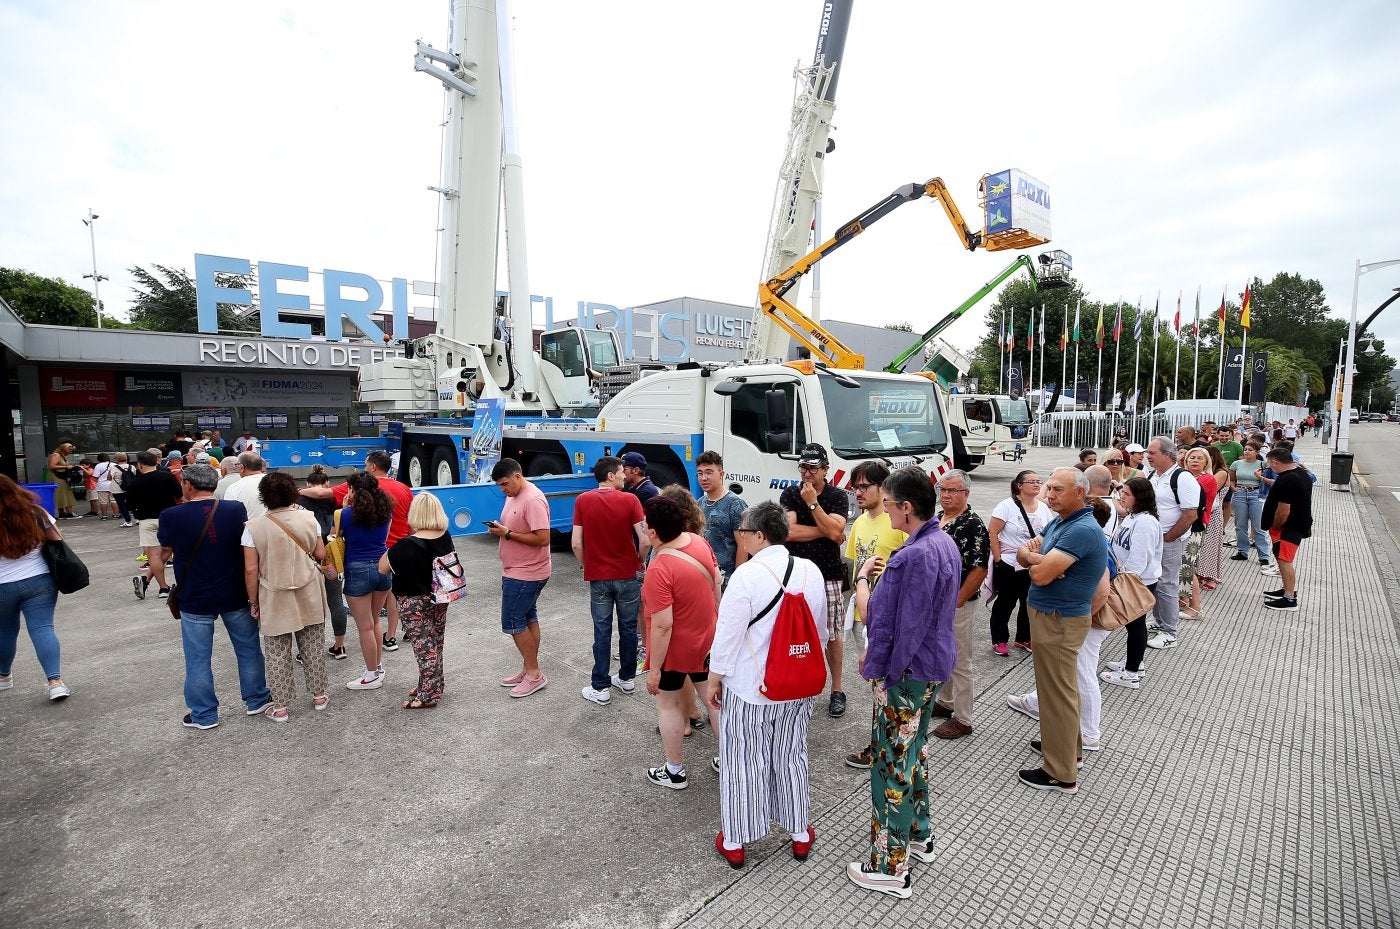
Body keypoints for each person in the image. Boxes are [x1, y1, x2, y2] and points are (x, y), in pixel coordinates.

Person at [847, 468, 961, 898]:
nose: (886, 511)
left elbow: (889, 623)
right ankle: (918, 832)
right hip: (931, 667)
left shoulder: (911, 556)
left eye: (890, 504)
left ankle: (888, 864)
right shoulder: (941, 541)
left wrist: (862, 579)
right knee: (914, 750)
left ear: (906, 507)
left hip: (906, 674)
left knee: (891, 760)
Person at [708, 501, 827, 870]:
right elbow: (820, 629)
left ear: (759, 535)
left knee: (745, 760)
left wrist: (715, 678)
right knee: (791, 755)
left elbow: (727, 635)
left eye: (743, 532)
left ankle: (736, 840)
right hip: (798, 684)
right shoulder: (810, 570)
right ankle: (799, 832)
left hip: (751, 688)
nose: (740, 538)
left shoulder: (746, 575)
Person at [149, 464, 270, 729]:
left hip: (195, 596)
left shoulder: (171, 515)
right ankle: (257, 699)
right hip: (235, 592)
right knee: (248, 649)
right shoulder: (234, 509)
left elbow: (165, 549)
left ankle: (204, 714)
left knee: (198, 657)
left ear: (188, 485)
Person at [1014, 467, 1108, 794]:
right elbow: (1026, 552)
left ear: (1080, 492)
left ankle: (1061, 772)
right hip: (1052, 615)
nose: (1049, 495)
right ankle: (1069, 751)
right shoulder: (1061, 521)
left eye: (1057, 490)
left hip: (1058, 618)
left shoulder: (1080, 529)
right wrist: (1035, 557)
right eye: (1048, 488)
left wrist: (1038, 561)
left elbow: (1038, 575)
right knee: (1059, 691)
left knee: (1057, 694)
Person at [640, 496, 723, 790]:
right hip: (708, 639)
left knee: (668, 706)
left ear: (653, 533)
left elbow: (663, 625)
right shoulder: (697, 541)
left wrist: (654, 670)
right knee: (713, 700)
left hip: (675, 650)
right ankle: (729, 760)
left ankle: (674, 771)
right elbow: (716, 581)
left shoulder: (659, 568)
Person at [242, 472, 333, 721]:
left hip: (274, 593)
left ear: (264, 496)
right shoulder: (308, 518)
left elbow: (251, 570)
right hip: (309, 588)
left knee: (277, 651)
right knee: (312, 645)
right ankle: (319, 695)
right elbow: (320, 552)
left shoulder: (253, 528)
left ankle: (280, 706)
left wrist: (253, 601)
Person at [300, 451, 412, 651]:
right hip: (393, 552)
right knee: (391, 599)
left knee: (366, 624)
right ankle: (391, 636)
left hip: (360, 562)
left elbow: (321, 496)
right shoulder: (403, 490)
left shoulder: (353, 495)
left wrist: (297, 492)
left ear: (373, 467)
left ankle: (371, 669)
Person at [841, 462, 909, 768]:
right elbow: (856, 567)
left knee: (887, 685)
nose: (857, 492)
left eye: (864, 486)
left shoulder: (896, 523)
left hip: (888, 618)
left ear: (884, 488)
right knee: (876, 685)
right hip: (862, 613)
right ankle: (882, 742)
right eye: (855, 487)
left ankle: (884, 747)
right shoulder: (858, 523)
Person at [573, 456, 650, 706]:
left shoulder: (583, 500)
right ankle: (626, 678)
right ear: (610, 476)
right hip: (627, 575)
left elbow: (576, 542)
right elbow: (646, 539)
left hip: (599, 578)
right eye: (620, 473)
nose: (624, 476)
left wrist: (586, 563)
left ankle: (600, 687)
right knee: (629, 628)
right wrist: (639, 560)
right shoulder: (630, 500)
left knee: (602, 630)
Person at [779, 443, 849, 718]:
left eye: (813, 468)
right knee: (795, 631)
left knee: (832, 632)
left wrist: (812, 504)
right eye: (803, 467)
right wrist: (826, 531)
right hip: (796, 571)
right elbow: (789, 533)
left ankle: (837, 689)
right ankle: (797, 684)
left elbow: (837, 529)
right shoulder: (789, 493)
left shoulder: (837, 495)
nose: (807, 473)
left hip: (828, 572)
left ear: (825, 470)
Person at [380, 494, 457, 708]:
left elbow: (382, 567)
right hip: (440, 596)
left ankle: (429, 695)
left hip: (412, 601)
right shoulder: (444, 536)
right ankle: (432, 683)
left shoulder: (403, 546)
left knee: (424, 648)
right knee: (435, 642)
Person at [930, 469, 989, 741]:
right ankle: (945, 701)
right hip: (935, 601)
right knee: (943, 654)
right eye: (943, 490)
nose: (946, 495)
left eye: (952, 490)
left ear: (966, 493)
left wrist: (958, 600)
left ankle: (963, 718)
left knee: (960, 660)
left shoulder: (973, 524)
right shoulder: (939, 518)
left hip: (956, 603)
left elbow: (979, 569)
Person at [0, 476, 71, 700]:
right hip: (39, 580)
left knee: (5, 632)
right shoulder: (36, 513)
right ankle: (55, 682)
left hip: (2, 583)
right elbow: (57, 540)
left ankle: (4, 676)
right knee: (43, 629)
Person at [488, 459, 553, 698]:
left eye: (505, 484)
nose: (502, 489)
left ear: (518, 476)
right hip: (518, 569)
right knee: (528, 617)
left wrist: (509, 534)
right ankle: (529, 669)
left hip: (527, 572)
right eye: (499, 486)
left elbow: (543, 538)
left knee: (514, 622)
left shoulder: (532, 499)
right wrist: (502, 530)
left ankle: (535, 674)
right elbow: (514, 527)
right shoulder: (513, 495)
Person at [1098, 477, 1163, 690]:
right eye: (1121, 492)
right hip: (1132, 579)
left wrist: (1123, 578)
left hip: (1137, 581)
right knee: (1134, 625)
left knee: (1135, 626)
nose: (1121, 496)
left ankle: (1131, 673)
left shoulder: (1145, 522)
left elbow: (1139, 557)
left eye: (1127, 493)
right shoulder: (1133, 517)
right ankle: (1135, 663)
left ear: (1140, 497)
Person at [339, 472, 394, 691]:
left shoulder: (344, 514)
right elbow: (384, 539)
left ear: (353, 490)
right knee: (374, 621)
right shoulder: (386, 513)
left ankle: (371, 674)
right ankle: (376, 667)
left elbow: (336, 540)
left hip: (357, 568)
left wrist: (344, 507)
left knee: (364, 626)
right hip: (382, 566)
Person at [987, 470, 1051, 655]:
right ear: (1019, 485)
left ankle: (1024, 638)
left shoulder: (1043, 508)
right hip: (1009, 562)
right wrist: (998, 559)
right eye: (1031, 481)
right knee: (1005, 603)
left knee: (1029, 602)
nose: (1037, 484)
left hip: (1033, 563)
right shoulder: (1006, 506)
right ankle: (999, 640)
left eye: (1038, 481)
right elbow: (993, 532)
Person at [1145, 437, 1200, 650]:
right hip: (1155, 539)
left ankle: (1169, 632)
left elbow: (1190, 514)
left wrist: (1169, 537)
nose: (1148, 456)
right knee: (1156, 581)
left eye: (1152, 453)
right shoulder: (1154, 475)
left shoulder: (1183, 478)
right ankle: (1160, 622)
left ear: (1168, 454)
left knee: (1167, 583)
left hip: (1169, 539)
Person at [298, 467, 351, 660]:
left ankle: (307, 650)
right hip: (332, 554)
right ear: (328, 484)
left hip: (308, 556)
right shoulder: (337, 499)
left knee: (307, 603)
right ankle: (339, 646)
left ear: (308, 484)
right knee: (335, 600)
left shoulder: (299, 501)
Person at [126, 450, 184, 600]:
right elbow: (180, 496)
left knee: (153, 555)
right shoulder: (167, 477)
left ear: (139, 465)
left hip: (147, 520)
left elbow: (129, 505)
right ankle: (149, 581)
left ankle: (161, 586)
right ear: (157, 462)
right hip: (169, 517)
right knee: (170, 549)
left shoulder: (135, 483)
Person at [1261, 447, 1312, 612]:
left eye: (1269, 464)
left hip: (1288, 527)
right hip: (1296, 524)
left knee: (1284, 560)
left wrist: (1275, 526)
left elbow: (1284, 510)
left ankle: (1289, 599)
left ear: (1275, 462)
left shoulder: (1287, 480)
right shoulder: (1301, 474)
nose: (1269, 467)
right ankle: (1286, 589)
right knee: (1281, 557)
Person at [694, 451, 747, 583]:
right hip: (704, 575)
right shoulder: (700, 503)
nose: (703, 478)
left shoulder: (735, 504)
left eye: (709, 472)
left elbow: (743, 545)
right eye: (700, 473)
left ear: (721, 474)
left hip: (727, 579)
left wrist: (737, 580)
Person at [1177, 448, 1214, 621]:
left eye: (1200, 458)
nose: (1195, 461)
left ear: (1206, 463)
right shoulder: (1185, 476)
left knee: (1188, 567)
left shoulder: (1207, 479)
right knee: (1181, 565)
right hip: (1185, 524)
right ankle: (1183, 601)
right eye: (1192, 457)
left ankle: (1196, 607)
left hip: (1196, 525)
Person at [1193, 446, 1229, 594]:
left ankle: (1212, 577)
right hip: (1205, 512)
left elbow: (1207, 490)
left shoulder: (1220, 473)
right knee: (1202, 546)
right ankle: (1202, 573)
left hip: (1213, 514)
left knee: (1211, 546)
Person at [1228, 443, 1271, 566]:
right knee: (1240, 524)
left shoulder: (1262, 464)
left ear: (1257, 452)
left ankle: (1263, 555)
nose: (1247, 452)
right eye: (1245, 449)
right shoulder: (1237, 463)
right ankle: (1242, 551)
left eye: (1250, 450)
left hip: (1256, 494)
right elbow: (1231, 479)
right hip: (1240, 493)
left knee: (1259, 526)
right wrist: (1233, 488)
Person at [224, 452, 267, 520]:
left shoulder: (234, 488)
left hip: (247, 529)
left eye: (237, 465)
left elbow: (229, 514)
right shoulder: (275, 482)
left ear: (242, 467)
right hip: (276, 528)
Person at [46, 442, 78, 519]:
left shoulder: (62, 456)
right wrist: (66, 466)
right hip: (56, 477)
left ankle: (62, 513)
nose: (71, 452)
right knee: (64, 493)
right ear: (64, 449)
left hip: (61, 476)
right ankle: (68, 513)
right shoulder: (56, 455)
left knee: (61, 494)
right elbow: (51, 466)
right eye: (69, 450)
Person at [110, 452, 136, 527]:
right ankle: (137, 519)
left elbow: (109, 478)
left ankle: (128, 521)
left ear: (116, 459)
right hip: (130, 488)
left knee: (122, 505)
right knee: (133, 503)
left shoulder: (114, 467)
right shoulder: (132, 467)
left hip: (117, 489)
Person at [90, 453, 118, 520]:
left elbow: (95, 477)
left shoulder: (98, 466)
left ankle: (104, 516)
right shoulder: (114, 465)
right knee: (114, 500)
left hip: (102, 486)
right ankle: (116, 515)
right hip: (113, 485)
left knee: (103, 502)